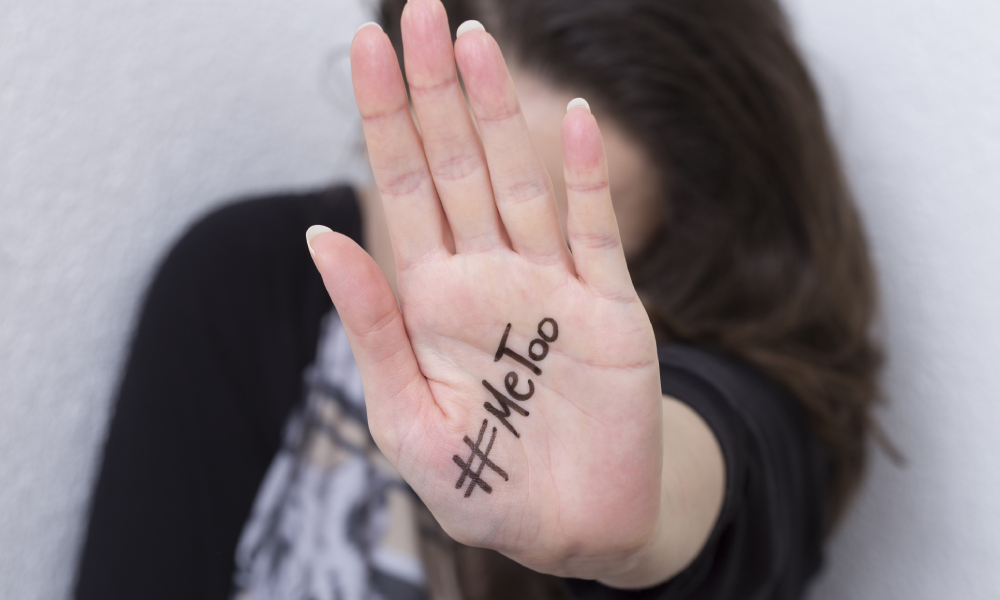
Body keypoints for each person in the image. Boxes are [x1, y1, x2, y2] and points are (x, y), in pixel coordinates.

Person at [74, 0, 882, 598]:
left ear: (671, 245)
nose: (487, 269)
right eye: (455, 171)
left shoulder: (736, 400)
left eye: (554, 229)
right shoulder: (246, 279)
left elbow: (718, 448)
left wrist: (637, 530)